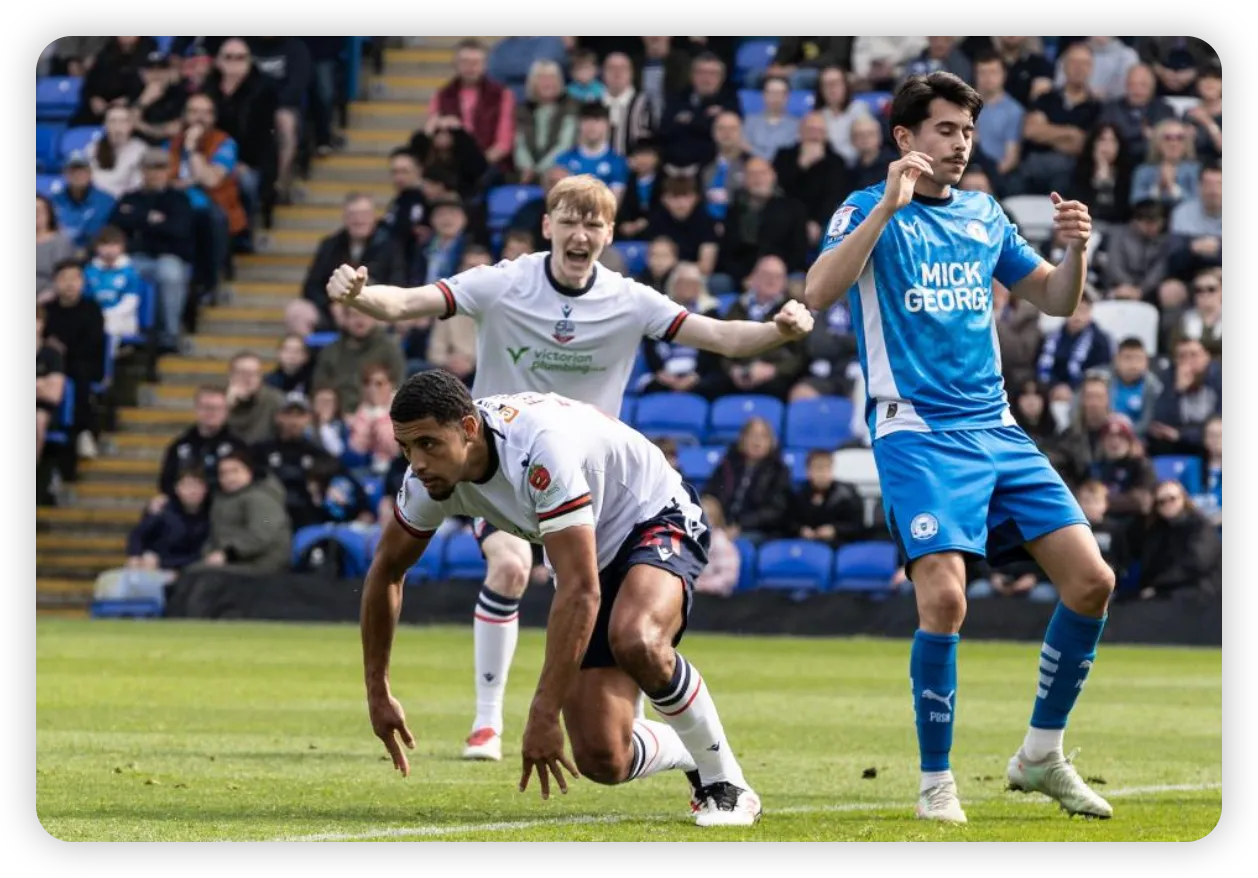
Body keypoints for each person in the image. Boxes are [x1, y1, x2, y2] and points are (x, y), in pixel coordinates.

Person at [327, 173, 813, 761]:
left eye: (593, 224)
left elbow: (722, 339)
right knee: (508, 568)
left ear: (609, 234)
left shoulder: (629, 298)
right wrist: (359, 294)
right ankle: (486, 723)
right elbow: (406, 302)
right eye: (569, 221)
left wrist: (777, 330)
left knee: (609, 688)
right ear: (547, 226)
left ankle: (665, 742)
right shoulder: (504, 283)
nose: (580, 234)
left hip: (587, 483)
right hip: (496, 470)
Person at [803, 71, 1115, 824]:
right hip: (915, 429)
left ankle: (1039, 756)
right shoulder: (863, 209)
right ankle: (935, 782)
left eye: (968, 132)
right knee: (945, 598)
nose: (961, 144)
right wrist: (885, 206)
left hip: (996, 429)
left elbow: (1053, 298)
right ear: (906, 139)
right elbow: (816, 292)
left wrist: (1076, 252)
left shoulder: (984, 213)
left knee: (1092, 581)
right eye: (946, 130)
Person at [360, 371, 762, 826]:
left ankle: (725, 783)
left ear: (469, 430)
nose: (417, 462)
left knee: (638, 640)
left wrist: (543, 711)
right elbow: (386, 572)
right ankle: (693, 748)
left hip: (653, 513)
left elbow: (580, 588)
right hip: (588, 552)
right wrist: (377, 690)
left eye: (429, 444)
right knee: (602, 758)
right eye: (405, 448)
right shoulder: (426, 482)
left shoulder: (537, 449)